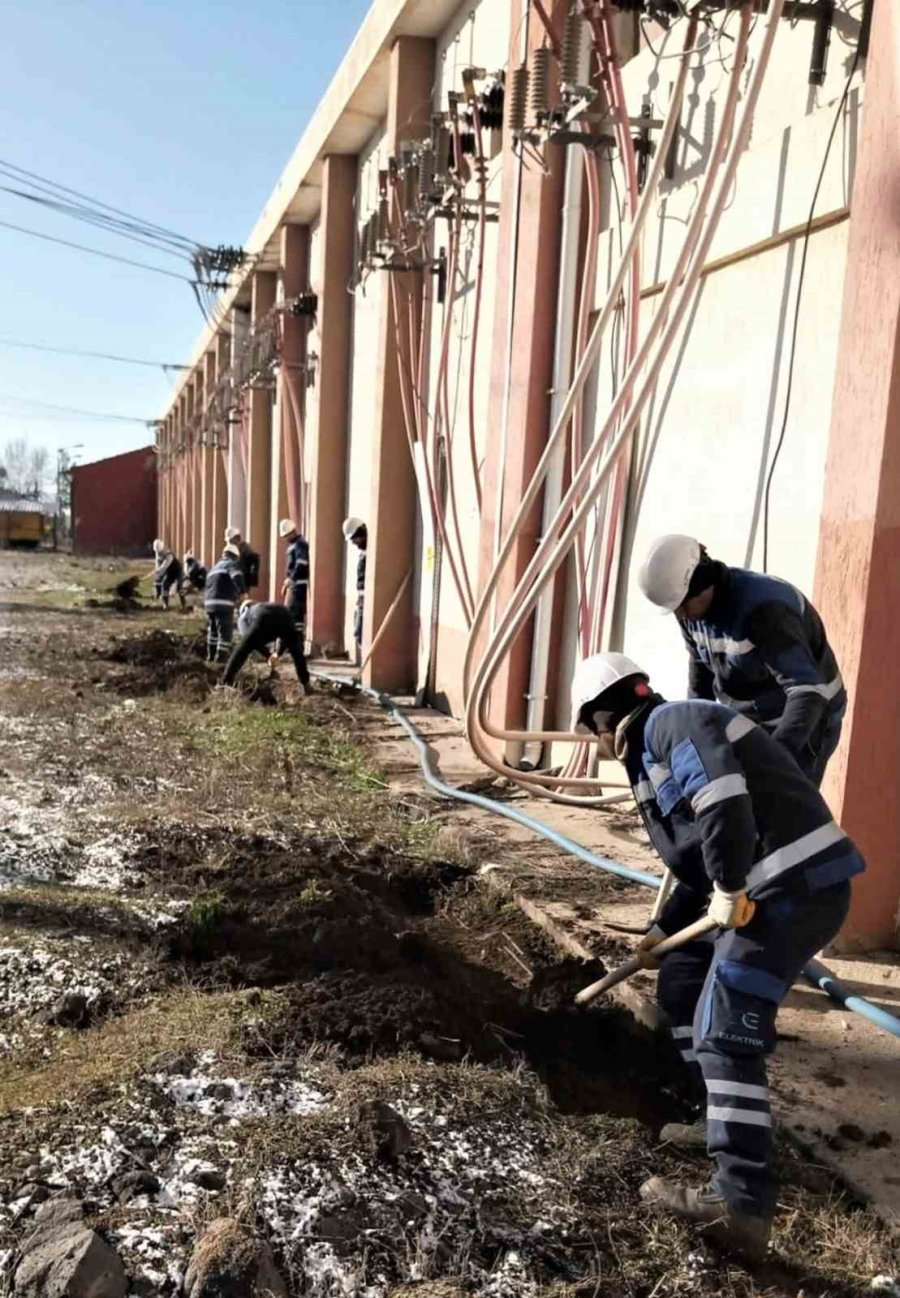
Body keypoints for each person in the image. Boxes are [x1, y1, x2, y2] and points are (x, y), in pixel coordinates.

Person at [570, 651, 865, 1260]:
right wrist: (662, 927)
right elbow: (695, 856)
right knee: (681, 981)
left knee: (723, 1031)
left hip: (789, 888)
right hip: (761, 888)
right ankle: (720, 1114)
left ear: (603, 717)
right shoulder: (653, 747)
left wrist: (730, 889)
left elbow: (724, 805)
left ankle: (739, 1204)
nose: (594, 742)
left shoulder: (672, 724)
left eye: (590, 729)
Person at [638, 535, 845, 786]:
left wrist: (773, 759)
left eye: (682, 605)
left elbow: (807, 693)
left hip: (807, 719)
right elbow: (700, 675)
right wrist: (695, 735)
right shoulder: (688, 610)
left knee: (783, 811)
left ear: (702, 583)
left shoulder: (765, 610)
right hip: (753, 715)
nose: (680, 615)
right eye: (675, 609)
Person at [223, 598, 312, 691]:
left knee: (241, 650)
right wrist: (277, 653)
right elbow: (285, 638)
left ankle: (225, 681)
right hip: (285, 613)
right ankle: (306, 684)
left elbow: (250, 642)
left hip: (264, 618)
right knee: (297, 653)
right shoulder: (262, 606)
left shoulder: (244, 616)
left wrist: (267, 654)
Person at [204, 544, 245, 663]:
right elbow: (237, 576)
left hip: (209, 604)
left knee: (213, 630)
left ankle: (210, 657)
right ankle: (221, 659)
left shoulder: (214, 567)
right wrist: (243, 592)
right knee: (225, 632)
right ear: (235, 556)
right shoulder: (230, 564)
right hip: (223, 603)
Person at [279, 519, 310, 637]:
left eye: (287, 535)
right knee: (291, 613)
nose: (286, 538)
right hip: (294, 584)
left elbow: (301, 563)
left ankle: (298, 644)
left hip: (298, 585)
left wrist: (292, 578)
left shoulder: (300, 544)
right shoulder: (294, 545)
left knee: (296, 615)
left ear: (293, 532)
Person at [342, 516, 367, 662]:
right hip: (361, 599)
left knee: (360, 631)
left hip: (365, 601)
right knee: (358, 632)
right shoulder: (363, 551)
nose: (353, 542)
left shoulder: (370, 551)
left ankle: (365, 663)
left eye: (354, 539)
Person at [151, 540, 186, 611]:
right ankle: (165, 605)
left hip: (177, 571)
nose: (158, 553)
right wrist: (157, 574)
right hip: (169, 572)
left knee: (179, 587)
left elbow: (164, 566)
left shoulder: (169, 555)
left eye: (159, 551)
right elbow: (157, 563)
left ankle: (183, 604)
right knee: (165, 584)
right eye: (157, 551)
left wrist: (157, 571)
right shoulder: (158, 552)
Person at [224, 525, 261, 591]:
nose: (230, 543)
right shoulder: (232, 548)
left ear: (237, 538)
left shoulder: (245, 548)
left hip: (243, 578)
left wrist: (252, 577)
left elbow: (255, 561)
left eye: (231, 540)